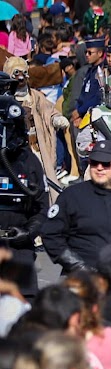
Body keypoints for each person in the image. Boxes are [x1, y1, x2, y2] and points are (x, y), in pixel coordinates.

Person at [41, 140, 111, 273]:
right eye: (94, 163)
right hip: (83, 278)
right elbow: (51, 234)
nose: (99, 168)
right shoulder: (71, 196)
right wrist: (77, 266)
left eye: (106, 164)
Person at [0, 89, 49, 298]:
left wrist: (29, 233)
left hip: (19, 245)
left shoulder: (29, 161)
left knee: (24, 309)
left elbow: (42, 206)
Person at [3, 57, 68, 198]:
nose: (20, 78)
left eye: (23, 73)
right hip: (12, 150)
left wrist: (56, 119)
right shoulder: (4, 98)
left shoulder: (36, 96)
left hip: (35, 148)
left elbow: (48, 110)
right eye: (16, 74)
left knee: (42, 181)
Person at [72, 37, 107, 125]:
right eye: (86, 52)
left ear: (100, 53)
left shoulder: (102, 72)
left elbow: (98, 97)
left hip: (93, 116)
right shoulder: (90, 70)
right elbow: (83, 94)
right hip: (82, 113)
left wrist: (80, 112)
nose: (87, 55)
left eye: (90, 53)